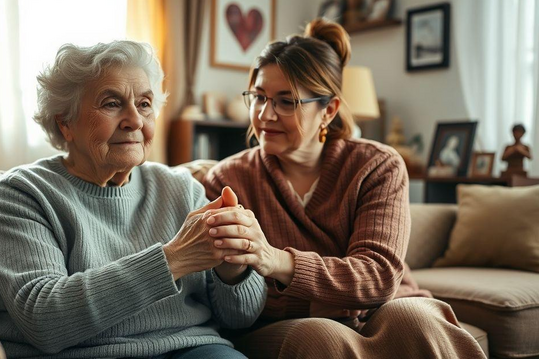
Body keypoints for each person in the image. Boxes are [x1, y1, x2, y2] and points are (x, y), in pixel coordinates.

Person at [202, 19, 486, 358]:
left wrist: (276, 261)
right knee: (320, 335)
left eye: (286, 101)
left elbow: (379, 277)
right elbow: (232, 297)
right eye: (259, 97)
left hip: (385, 307)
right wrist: (345, 296)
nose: (265, 114)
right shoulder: (227, 180)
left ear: (329, 110)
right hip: (284, 326)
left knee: (415, 319)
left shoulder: (378, 165)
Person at [0, 40, 266, 359]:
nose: (135, 119)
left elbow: (240, 317)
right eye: (111, 103)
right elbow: (45, 321)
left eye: (144, 104)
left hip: (191, 349)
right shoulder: (25, 193)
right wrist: (173, 259)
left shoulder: (181, 188)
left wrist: (234, 267)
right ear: (66, 123)